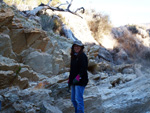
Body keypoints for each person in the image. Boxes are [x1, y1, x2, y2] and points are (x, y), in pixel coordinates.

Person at [68, 40, 88, 113]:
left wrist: (78, 76)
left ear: (81, 48)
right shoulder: (73, 56)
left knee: (78, 99)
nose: (76, 47)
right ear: (73, 47)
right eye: (75, 46)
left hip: (81, 80)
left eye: (78, 46)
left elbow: (84, 68)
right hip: (74, 80)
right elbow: (72, 69)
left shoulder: (83, 56)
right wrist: (70, 80)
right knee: (73, 99)